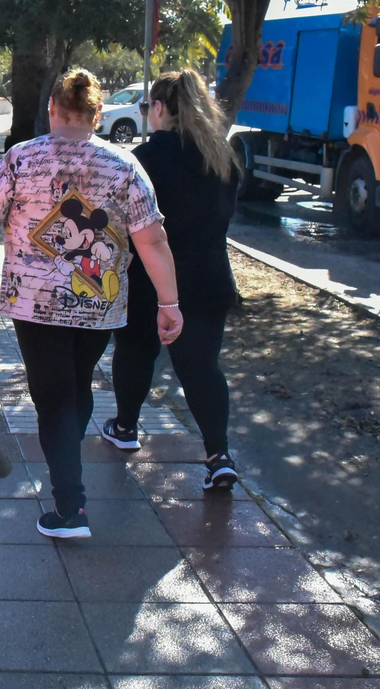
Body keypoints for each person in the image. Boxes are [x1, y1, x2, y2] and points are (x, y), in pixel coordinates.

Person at [0, 67, 182, 539]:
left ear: (53, 110)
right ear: (98, 114)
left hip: (33, 304)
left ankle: (69, 508)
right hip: (100, 304)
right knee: (75, 386)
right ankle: (66, 463)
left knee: (55, 396)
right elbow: (153, 240)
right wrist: (169, 301)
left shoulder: (21, 159)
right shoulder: (126, 166)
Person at [105, 69, 242, 492]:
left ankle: (126, 427)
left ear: (160, 108)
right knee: (202, 368)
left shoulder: (145, 158)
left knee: (134, 352)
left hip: (150, 280)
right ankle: (218, 455)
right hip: (209, 279)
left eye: (148, 106)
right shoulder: (224, 158)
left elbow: (122, 223)